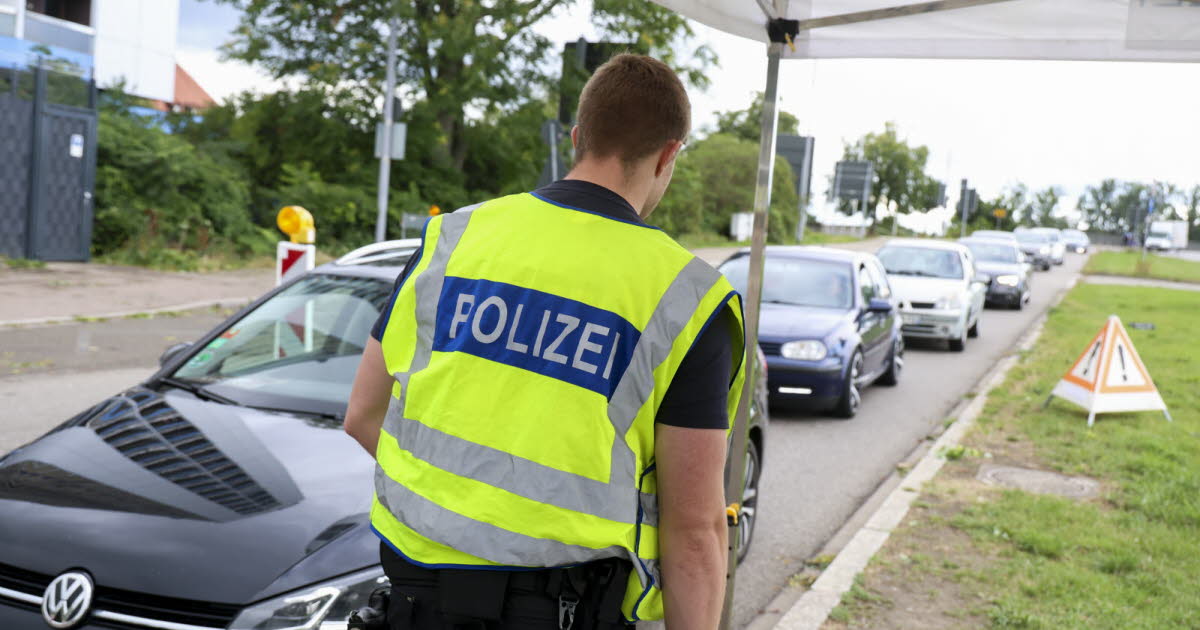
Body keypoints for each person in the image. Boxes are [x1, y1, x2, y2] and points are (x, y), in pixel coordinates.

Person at [343, 53, 746, 630]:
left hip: (413, 605)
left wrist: (464, 518)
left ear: (578, 136)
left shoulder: (455, 237)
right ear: (668, 154)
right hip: (563, 612)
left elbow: (362, 415)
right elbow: (695, 531)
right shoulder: (686, 298)